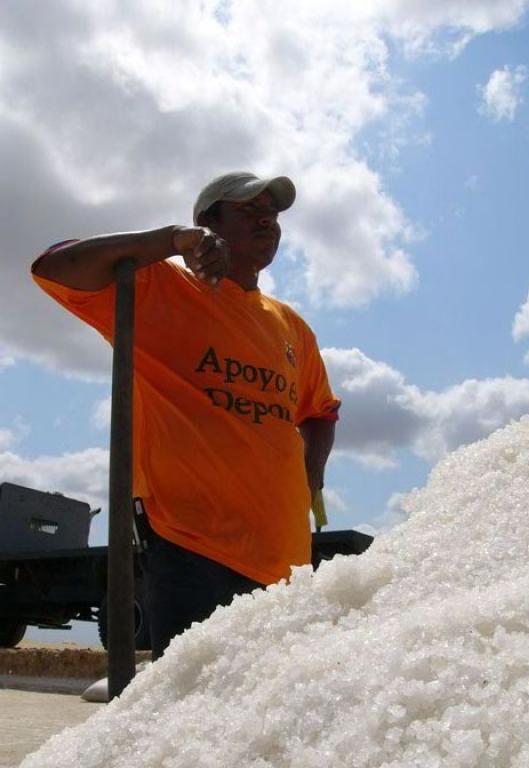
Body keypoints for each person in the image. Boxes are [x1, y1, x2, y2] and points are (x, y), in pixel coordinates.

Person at [31, 171, 341, 659]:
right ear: (208, 222)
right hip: (192, 541)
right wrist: (173, 240)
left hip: (285, 553)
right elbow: (54, 266)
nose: (268, 220)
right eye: (248, 210)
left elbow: (320, 411)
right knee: (197, 705)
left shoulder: (291, 326)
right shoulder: (160, 286)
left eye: (273, 213)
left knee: (273, 713)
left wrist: (313, 470)